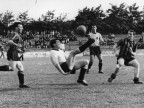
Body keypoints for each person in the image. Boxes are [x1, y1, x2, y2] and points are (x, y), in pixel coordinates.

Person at [0, 22, 29, 88]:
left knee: (21, 68)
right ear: (16, 28)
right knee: (12, 68)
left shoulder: (18, 35)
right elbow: (10, 41)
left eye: (22, 27)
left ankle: (22, 84)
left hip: (14, 52)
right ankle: (21, 84)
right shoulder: (15, 34)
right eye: (20, 27)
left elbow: (13, 45)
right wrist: (17, 45)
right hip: (12, 52)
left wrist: (19, 50)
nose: (22, 28)